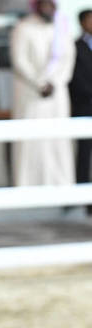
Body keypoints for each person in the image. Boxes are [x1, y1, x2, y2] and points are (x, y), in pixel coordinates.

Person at [10, 0, 76, 187]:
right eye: (43, 4)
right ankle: (27, 184)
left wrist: (55, 82)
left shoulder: (61, 29)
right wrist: (39, 83)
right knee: (31, 140)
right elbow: (19, 60)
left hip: (57, 93)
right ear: (36, 6)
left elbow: (68, 60)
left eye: (51, 4)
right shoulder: (23, 28)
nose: (48, 8)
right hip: (31, 93)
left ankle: (60, 184)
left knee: (57, 139)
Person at [69, 10, 92, 201]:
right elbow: (75, 78)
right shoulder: (75, 47)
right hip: (84, 105)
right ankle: (83, 197)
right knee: (84, 153)